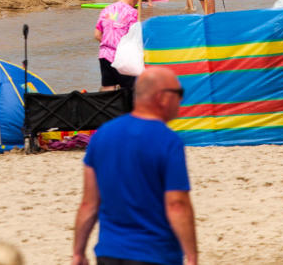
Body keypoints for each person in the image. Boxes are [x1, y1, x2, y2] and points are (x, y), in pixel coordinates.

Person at [72, 67, 197, 265]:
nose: (181, 100)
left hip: (109, 252)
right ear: (162, 97)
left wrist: (78, 252)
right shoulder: (168, 141)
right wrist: (191, 256)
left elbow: (89, 203)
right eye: (179, 94)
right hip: (155, 253)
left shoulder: (102, 135)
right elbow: (177, 204)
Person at [91, 0, 142, 90]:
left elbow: (97, 34)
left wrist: (109, 44)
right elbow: (135, 38)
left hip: (104, 55)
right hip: (122, 57)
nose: (136, 3)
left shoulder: (107, 10)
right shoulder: (132, 13)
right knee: (131, 90)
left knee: (108, 90)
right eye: (137, 0)